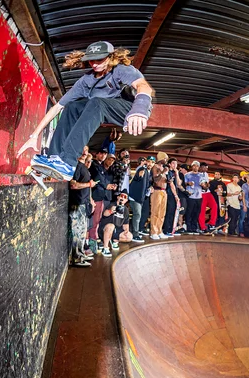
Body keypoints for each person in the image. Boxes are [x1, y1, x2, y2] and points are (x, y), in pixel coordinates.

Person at [17, 41, 153, 176]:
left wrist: (140, 109)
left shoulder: (121, 69)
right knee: (72, 107)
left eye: (99, 60)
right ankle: (55, 158)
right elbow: (57, 107)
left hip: (131, 109)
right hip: (105, 107)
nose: (94, 64)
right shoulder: (85, 81)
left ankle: (67, 161)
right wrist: (34, 135)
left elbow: (143, 86)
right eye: (91, 61)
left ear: (111, 57)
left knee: (97, 103)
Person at [69, 149, 97, 266]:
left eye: (86, 150)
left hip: (83, 204)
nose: (84, 153)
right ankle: (77, 259)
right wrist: (89, 184)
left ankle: (80, 255)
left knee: (81, 232)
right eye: (82, 150)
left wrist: (90, 200)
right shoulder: (77, 166)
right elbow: (73, 184)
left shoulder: (83, 167)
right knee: (77, 233)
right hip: (77, 204)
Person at [89, 148, 117, 253]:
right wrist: (106, 185)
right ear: (97, 154)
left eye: (105, 154)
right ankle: (92, 242)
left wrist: (108, 185)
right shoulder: (94, 165)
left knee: (97, 221)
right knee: (94, 221)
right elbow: (97, 178)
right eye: (101, 153)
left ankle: (94, 240)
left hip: (101, 196)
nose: (103, 156)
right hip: (95, 196)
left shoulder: (100, 166)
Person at [99, 190, 132, 256]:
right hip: (106, 229)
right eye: (122, 196)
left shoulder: (125, 210)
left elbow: (126, 224)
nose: (123, 198)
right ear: (118, 197)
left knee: (129, 236)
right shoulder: (112, 204)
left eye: (125, 197)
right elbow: (105, 214)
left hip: (117, 230)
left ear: (126, 200)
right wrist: (110, 211)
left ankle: (114, 240)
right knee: (111, 226)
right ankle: (105, 248)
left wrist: (126, 231)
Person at [129, 156, 150, 243]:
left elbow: (146, 184)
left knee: (138, 215)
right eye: (144, 161)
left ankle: (135, 232)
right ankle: (135, 234)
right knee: (137, 215)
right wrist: (141, 169)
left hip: (140, 197)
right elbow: (138, 177)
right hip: (135, 197)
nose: (146, 163)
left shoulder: (147, 172)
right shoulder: (141, 169)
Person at [150, 152, 169, 240]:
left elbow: (165, 180)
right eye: (164, 158)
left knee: (162, 213)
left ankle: (159, 231)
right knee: (155, 212)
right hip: (157, 191)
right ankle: (153, 232)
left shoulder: (164, 168)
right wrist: (162, 172)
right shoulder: (155, 167)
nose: (166, 160)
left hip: (164, 191)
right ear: (160, 158)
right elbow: (155, 179)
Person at [185, 161, 206, 234]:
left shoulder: (201, 175)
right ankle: (188, 227)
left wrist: (204, 185)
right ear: (192, 166)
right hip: (190, 196)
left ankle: (194, 227)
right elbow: (183, 184)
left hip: (199, 196)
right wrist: (188, 183)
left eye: (197, 166)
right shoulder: (187, 175)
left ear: (199, 167)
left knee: (197, 212)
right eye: (194, 166)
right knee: (189, 212)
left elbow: (205, 186)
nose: (195, 167)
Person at [163, 158, 181, 237]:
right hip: (169, 194)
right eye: (173, 163)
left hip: (173, 194)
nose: (175, 165)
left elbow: (179, 184)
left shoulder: (174, 172)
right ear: (169, 164)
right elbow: (171, 184)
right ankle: (166, 230)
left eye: (176, 164)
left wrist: (177, 174)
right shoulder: (168, 172)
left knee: (173, 212)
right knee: (168, 212)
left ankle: (172, 229)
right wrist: (176, 195)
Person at [198, 162, 217, 233]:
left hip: (208, 193)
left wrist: (208, 185)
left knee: (214, 205)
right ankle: (202, 227)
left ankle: (211, 224)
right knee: (202, 211)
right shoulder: (197, 175)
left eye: (207, 168)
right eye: (205, 168)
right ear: (201, 167)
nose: (206, 169)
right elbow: (202, 185)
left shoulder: (206, 174)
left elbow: (207, 184)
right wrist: (205, 185)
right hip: (201, 194)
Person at [139, 155, 156, 235]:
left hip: (146, 195)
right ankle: (137, 229)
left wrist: (151, 187)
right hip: (139, 195)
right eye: (149, 161)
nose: (150, 164)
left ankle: (141, 228)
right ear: (146, 162)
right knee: (139, 213)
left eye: (152, 162)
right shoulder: (142, 169)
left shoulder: (151, 172)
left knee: (145, 213)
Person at [239, 173, 249, 238]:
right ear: (246, 179)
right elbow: (243, 196)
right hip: (245, 204)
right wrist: (244, 205)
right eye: (248, 178)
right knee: (242, 218)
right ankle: (241, 232)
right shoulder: (244, 185)